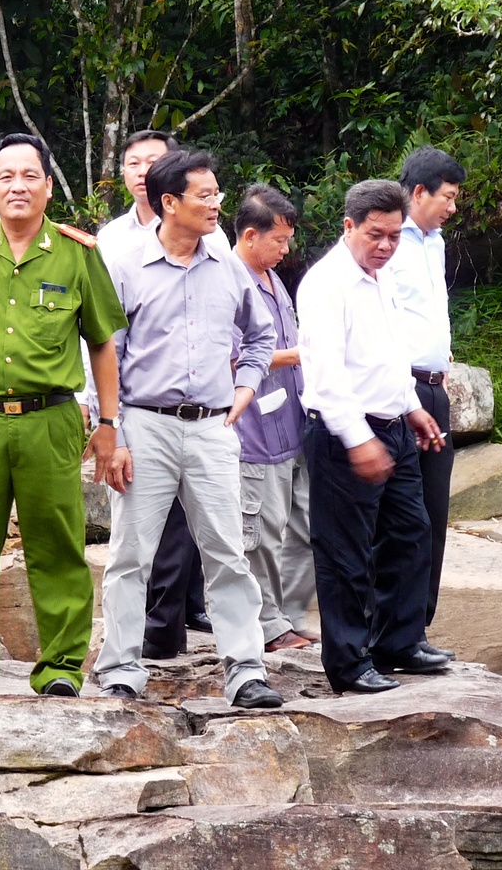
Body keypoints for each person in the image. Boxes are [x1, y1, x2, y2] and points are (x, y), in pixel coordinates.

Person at [0, 133, 127, 696]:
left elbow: (102, 343)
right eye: (6, 176)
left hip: (49, 420)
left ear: (49, 187)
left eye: (30, 175)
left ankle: (60, 666)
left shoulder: (77, 254)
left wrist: (109, 423)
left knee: (57, 545)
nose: (18, 186)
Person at [93, 149, 283, 708]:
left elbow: (261, 336)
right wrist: (113, 431)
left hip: (211, 428)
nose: (217, 203)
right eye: (205, 195)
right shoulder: (125, 265)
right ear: (169, 202)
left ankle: (246, 671)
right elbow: (103, 353)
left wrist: (244, 390)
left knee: (227, 551)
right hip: (143, 425)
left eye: (217, 193)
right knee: (131, 555)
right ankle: (121, 667)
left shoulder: (226, 264)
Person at [296, 179, 452, 694]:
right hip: (344, 433)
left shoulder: (381, 276)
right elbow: (326, 375)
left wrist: (411, 407)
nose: (386, 246)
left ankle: (399, 642)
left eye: (394, 236)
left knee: (411, 534)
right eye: (375, 235)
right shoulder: (326, 284)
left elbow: (388, 352)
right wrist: (358, 439)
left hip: (394, 425)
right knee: (345, 552)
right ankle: (348, 662)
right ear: (349, 226)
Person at [89, 130, 225, 657]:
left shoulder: (216, 245)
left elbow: (245, 328)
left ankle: (201, 633)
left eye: (154, 160)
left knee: (207, 538)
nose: (142, 170)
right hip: (141, 413)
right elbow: (102, 342)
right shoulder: (113, 244)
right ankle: (133, 652)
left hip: (204, 418)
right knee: (136, 543)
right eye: (133, 162)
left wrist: (240, 387)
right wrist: (109, 423)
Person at [229, 185, 316, 653]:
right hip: (253, 432)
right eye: (279, 241)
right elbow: (229, 358)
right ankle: (266, 625)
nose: (286, 250)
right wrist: (299, 355)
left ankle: (288, 616)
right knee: (259, 533)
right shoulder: (227, 280)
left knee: (300, 527)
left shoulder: (272, 278)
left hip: (291, 423)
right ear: (249, 235)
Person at [392, 147, 467, 635]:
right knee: (402, 517)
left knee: (434, 514)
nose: (453, 208)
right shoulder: (385, 240)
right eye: (448, 197)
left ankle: (418, 628)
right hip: (397, 390)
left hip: (435, 390)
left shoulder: (434, 241)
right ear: (419, 192)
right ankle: (389, 627)